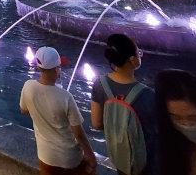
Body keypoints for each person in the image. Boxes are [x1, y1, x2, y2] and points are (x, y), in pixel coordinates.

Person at [20, 46, 97, 175]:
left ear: (39, 67)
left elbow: (24, 110)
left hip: (46, 157)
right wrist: (91, 157)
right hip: (69, 159)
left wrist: (42, 117)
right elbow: (78, 133)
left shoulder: (28, 86)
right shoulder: (65, 96)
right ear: (56, 69)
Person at [90, 34, 156, 175]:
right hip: (145, 162)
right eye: (138, 53)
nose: (140, 55)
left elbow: (96, 123)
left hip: (119, 155)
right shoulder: (147, 94)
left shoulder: (100, 84)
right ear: (132, 60)